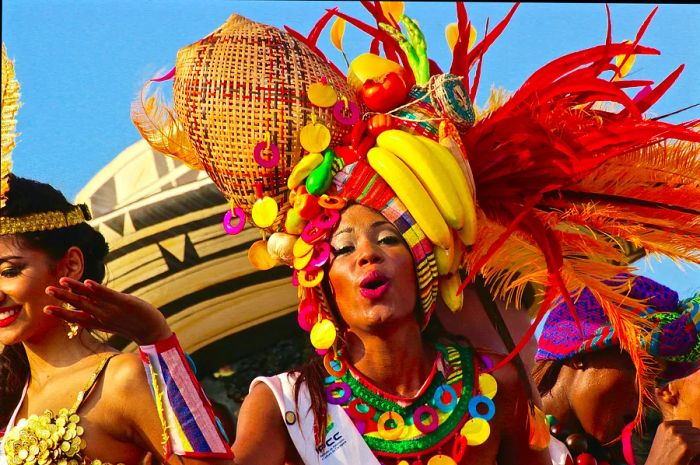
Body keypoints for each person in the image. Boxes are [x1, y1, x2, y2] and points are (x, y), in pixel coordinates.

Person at [46, 2, 700, 464]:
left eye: (388, 236)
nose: (366, 256)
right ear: (319, 283)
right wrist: (159, 342)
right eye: (343, 246)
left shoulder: (489, 395)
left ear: (426, 263)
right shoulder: (285, 408)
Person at [0, 46, 233, 464]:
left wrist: (158, 340)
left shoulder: (122, 377)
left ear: (69, 264)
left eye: (9, 270)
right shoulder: (11, 414)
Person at [533, 275, 700, 465]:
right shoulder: (499, 426)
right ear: (579, 355)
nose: (645, 405)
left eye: (655, 383)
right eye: (644, 374)